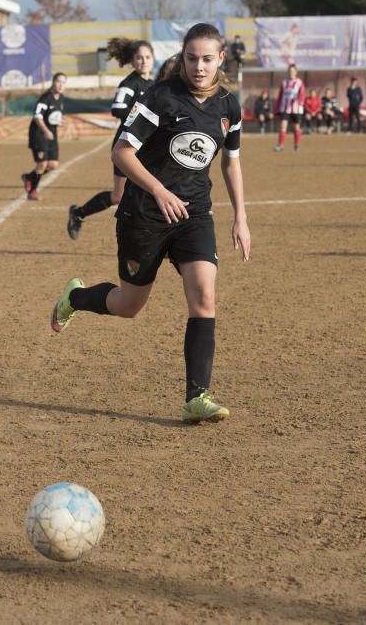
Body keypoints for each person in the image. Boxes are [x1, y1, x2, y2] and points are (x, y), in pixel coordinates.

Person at [50, 23, 251, 424]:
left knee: (204, 297)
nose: (198, 67)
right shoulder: (159, 96)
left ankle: (197, 396)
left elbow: (231, 161)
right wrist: (158, 190)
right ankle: (75, 298)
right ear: (183, 55)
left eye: (207, 59)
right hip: (144, 214)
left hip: (194, 214)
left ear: (221, 59)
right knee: (129, 306)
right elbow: (121, 152)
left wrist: (241, 217)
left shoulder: (229, 105)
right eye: (191, 58)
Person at [66, 38, 154, 241]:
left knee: (148, 192)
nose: (143, 61)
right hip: (126, 146)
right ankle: (78, 213)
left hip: (146, 147)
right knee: (118, 196)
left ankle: (152, 238)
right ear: (133, 61)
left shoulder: (154, 84)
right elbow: (117, 107)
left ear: (153, 59)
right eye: (139, 57)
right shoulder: (130, 83)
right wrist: (138, 119)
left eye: (147, 57)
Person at [20, 72, 66, 201]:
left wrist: (60, 123)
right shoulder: (45, 98)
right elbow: (37, 117)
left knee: (53, 165)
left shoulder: (61, 98)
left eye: (63, 82)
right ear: (53, 82)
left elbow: (55, 115)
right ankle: (32, 191)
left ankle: (29, 177)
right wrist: (46, 131)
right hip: (39, 134)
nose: (61, 85)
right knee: (42, 164)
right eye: (58, 81)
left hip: (51, 133)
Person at [274, 63, 305, 152]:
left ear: (296, 72)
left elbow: (302, 93)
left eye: (293, 71)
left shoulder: (299, 82)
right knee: (283, 127)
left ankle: (296, 145)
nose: (291, 72)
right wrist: (277, 106)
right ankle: (281, 145)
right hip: (285, 108)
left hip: (295, 109)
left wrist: (300, 101)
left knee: (296, 127)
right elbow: (281, 95)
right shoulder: (284, 82)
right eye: (290, 71)